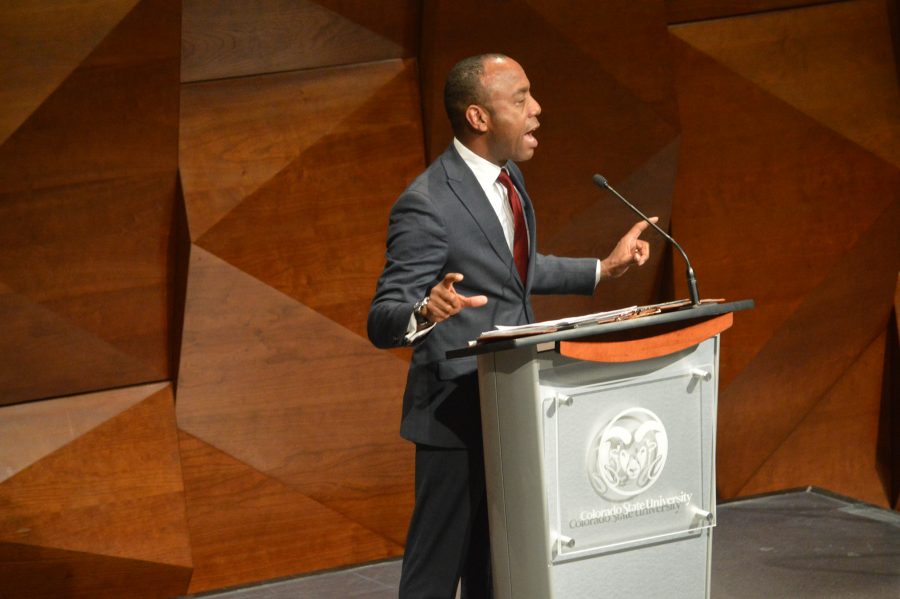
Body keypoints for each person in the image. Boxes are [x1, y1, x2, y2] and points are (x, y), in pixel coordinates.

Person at [368, 53, 655, 599]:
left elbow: (515, 271)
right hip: (454, 415)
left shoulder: (510, 180)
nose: (537, 110)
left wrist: (603, 269)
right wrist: (425, 311)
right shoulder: (426, 203)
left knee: (497, 569)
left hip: (514, 405)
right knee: (434, 573)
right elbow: (382, 318)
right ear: (478, 118)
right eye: (521, 99)